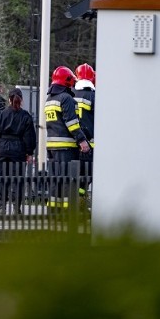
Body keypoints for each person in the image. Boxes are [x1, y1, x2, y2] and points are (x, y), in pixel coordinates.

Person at [44, 66, 91, 213]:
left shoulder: (49, 99)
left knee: (54, 179)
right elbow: (72, 124)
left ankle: (54, 211)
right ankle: (66, 212)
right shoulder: (67, 99)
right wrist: (82, 141)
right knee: (66, 180)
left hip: (51, 147)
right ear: (68, 81)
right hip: (66, 147)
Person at [0, 87, 36, 216]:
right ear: (21, 100)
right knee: (18, 180)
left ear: (9, 99)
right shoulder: (26, 116)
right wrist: (29, 152)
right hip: (18, 149)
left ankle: (2, 207)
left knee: (2, 179)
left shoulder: (0, 114)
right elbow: (29, 136)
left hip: (2, 148)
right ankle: (17, 207)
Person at [74, 63, 96, 193]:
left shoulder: (69, 94)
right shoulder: (94, 96)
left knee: (73, 175)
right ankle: (81, 201)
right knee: (86, 176)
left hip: (72, 143)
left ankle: (76, 200)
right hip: (89, 145)